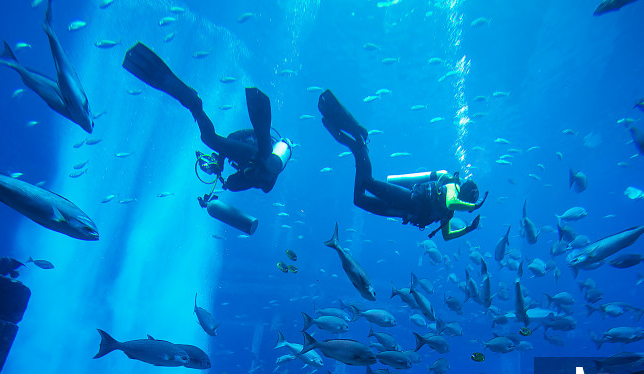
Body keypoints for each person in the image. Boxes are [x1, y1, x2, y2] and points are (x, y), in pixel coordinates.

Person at [122, 42, 290, 195]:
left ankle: (195, 106)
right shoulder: (263, 173)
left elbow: (232, 179)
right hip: (259, 153)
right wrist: (222, 162)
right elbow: (234, 180)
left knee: (212, 140)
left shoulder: (256, 173)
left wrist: (220, 163)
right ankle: (195, 105)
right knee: (214, 141)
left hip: (257, 153)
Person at [318, 90, 487, 241]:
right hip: (407, 198)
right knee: (367, 182)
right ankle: (359, 141)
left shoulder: (448, 213)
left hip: (403, 212)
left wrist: (469, 229)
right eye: (468, 203)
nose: (466, 208)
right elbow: (451, 202)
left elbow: (447, 235)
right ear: (464, 194)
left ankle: (355, 146)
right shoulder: (452, 186)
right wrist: (474, 206)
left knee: (359, 200)